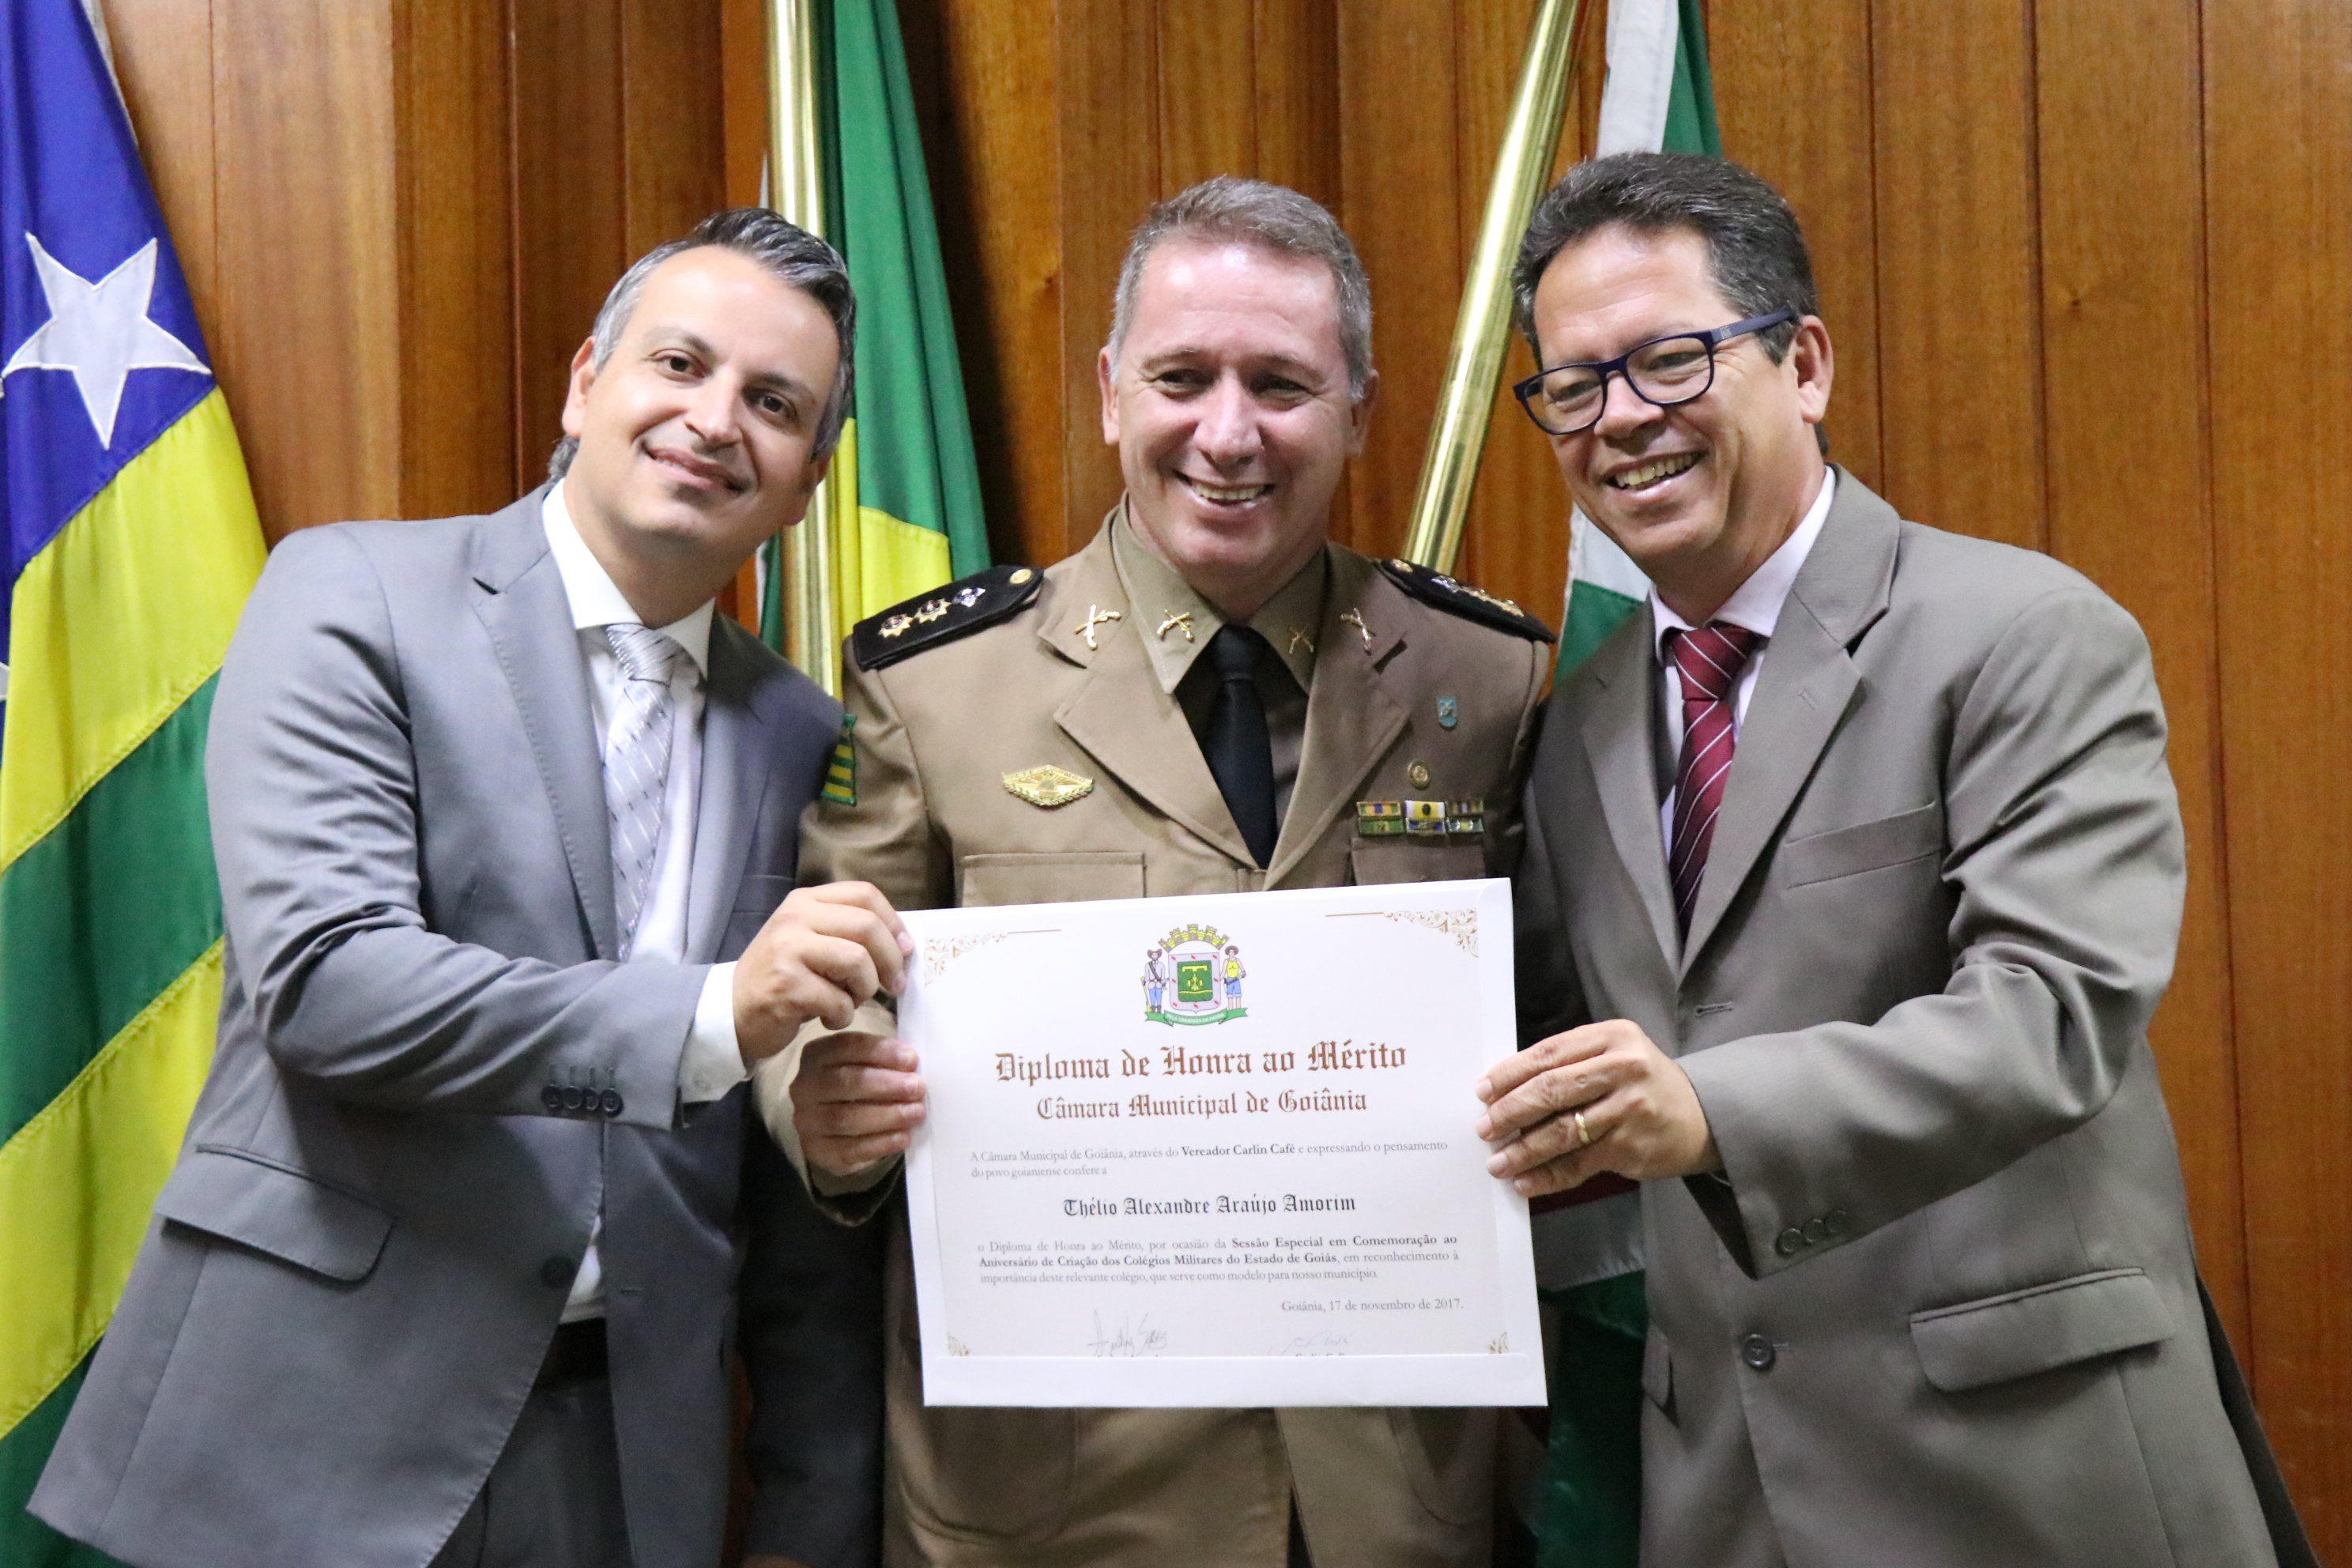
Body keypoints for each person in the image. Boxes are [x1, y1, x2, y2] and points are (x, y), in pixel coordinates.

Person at [31, 209, 906, 1568]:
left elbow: (786, 1182)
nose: (715, 419)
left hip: (622, 1470)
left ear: (805, 487)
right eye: (680, 364)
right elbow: (329, 984)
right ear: (585, 385)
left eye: (774, 404)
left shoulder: (802, 733)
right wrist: (711, 1015)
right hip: (310, 1427)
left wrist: (806, 1515)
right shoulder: (353, 591)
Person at [1480, 152, 2313, 1567]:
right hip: (1721, 1488)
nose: (1621, 418)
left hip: (2020, 1472)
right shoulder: (1577, 726)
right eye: (1574, 386)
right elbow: (1547, 1058)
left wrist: (1708, 1112)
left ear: (1803, 364)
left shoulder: (2022, 634)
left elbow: (2054, 1014)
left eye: (1671, 361)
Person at [777, 176, 1554, 1567]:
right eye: (1182, 379)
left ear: (1360, 410)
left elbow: (1543, 1007)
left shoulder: (1485, 676)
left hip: (1384, 1487)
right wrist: (819, 1108)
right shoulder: (936, 684)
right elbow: (831, 991)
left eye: (1283, 384)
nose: (1229, 433)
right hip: (1061, 1489)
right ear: (1109, 394)